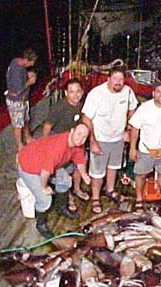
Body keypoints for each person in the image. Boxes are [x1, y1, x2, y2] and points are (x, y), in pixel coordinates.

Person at [17, 124, 91, 238]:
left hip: (43, 163)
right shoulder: (58, 148)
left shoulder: (77, 145)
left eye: (84, 137)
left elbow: (80, 160)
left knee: (65, 181)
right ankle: (40, 225)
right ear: (71, 131)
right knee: (45, 199)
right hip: (28, 166)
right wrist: (44, 187)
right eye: (79, 134)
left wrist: (84, 174)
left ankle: (61, 208)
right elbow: (45, 172)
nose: (80, 138)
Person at [82, 66, 138, 214]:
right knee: (97, 173)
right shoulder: (96, 94)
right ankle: (95, 197)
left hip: (118, 138)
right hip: (100, 139)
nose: (118, 82)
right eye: (115, 79)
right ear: (108, 79)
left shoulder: (128, 92)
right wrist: (92, 141)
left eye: (121, 79)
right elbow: (86, 118)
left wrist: (128, 128)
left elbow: (132, 110)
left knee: (113, 167)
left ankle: (110, 190)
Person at [42, 78, 88, 217]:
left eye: (78, 91)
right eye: (71, 92)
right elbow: (47, 126)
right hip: (59, 143)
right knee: (63, 171)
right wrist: (45, 144)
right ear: (66, 93)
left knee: (80, 163)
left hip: (75, 141)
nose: (75, 95)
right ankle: (68, 196)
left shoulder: (82, 106)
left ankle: (77, 189)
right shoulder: (58, 107)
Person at [5, 48, 38, 150]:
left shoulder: (16, 61)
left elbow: (10, 75)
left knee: (26, 119)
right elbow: (17, 91)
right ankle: (20, 145)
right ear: (26, 60)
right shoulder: (16, 72)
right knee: (18, 124)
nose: (32, 65)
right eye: (31, 62)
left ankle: (28, 137)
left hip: (24, 100)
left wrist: (27, 75)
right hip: (16, 101)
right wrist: (29, 82)